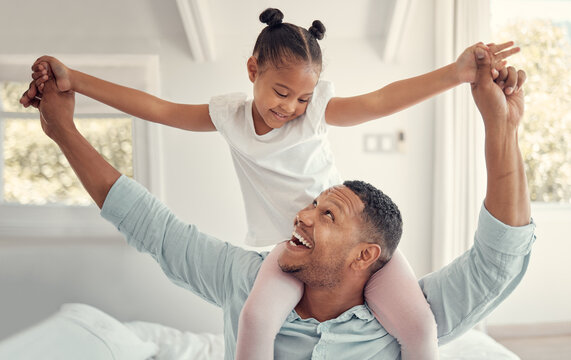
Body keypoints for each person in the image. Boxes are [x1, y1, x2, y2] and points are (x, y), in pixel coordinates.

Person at [21, 8, 521, 360]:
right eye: (282, 93)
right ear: (252, 70)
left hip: (342, 245)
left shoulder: (314, 116)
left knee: (420, 327)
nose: (291, 108)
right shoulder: (229, 117)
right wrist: (76, 82)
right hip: (284, 249)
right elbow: (157, 109)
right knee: (256, 321)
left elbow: (379, 100)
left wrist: (455, 74)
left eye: (302, 98)